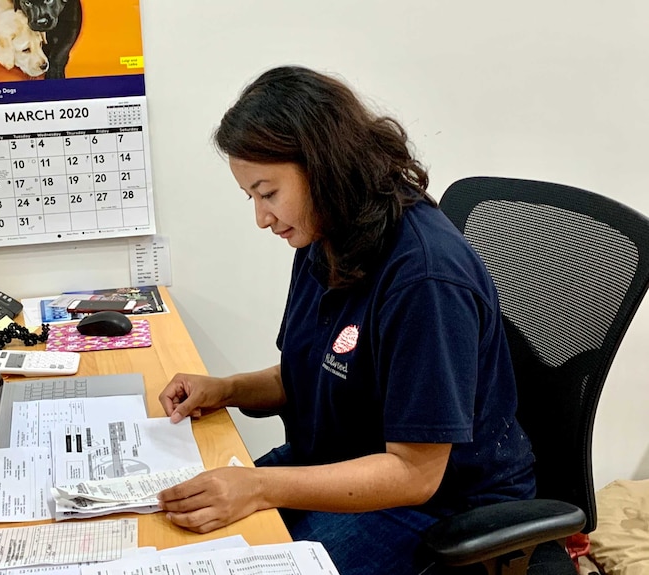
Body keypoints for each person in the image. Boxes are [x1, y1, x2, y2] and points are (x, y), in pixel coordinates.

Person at [156, 66, 536, 575]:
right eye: (252, 197)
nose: (261, 218)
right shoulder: (327, 235)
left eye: (268, 193)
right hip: (340, 460)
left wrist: (260, 486)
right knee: (178, 531)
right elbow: (315, 370)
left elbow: (413, 473)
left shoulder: (425, 278)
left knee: (237, 554)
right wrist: (224, 390)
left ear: (323, 166)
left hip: (436, 505)